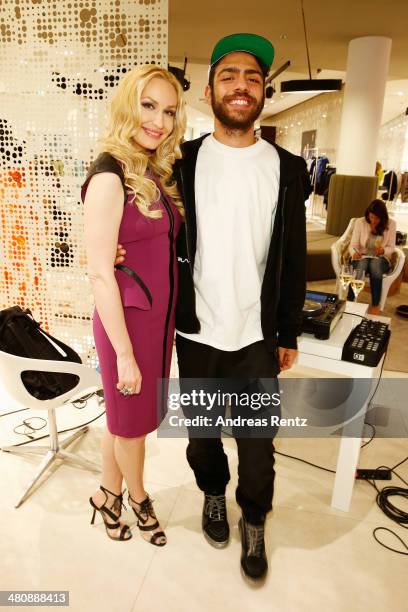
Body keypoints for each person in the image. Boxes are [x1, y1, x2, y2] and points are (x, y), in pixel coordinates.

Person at [116, 33, 309, 580]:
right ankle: (211, 495)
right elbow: (146, 219)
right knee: (202, 435)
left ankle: (254, 517)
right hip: (196, 331)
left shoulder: (288, 169)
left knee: (258, 444)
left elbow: (292, 258)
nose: (241, 86)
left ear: (264, 93)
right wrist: (121, 245)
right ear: (210, 90)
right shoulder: (182, 161)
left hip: (256, 335)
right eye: (229, 76)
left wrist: (288, 331)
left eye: (252, 78)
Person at [82, 65, 186, 545]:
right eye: (149, 106)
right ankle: (140, 500)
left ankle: (107, 494)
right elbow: (100, 273)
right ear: (128, 104)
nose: (159, 121)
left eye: (168, 110)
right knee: (133, 427)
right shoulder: (109, 173)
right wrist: (123, 352)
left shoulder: (149, 170)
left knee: (125, 421)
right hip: (126, 324)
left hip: (153, 322)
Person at [348, 199, 396, 315]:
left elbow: (391, 248)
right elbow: (353, 245)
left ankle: (375, 304)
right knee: (362, 264)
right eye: (371, 217)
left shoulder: (391, 224)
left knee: (375, 265)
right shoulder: (360, 222)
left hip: (380, 259)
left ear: (382, 217)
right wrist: (354, 253)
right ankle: (351, 301)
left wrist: (383, 250)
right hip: (362, 257)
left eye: (376, 218)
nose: (373, 221)